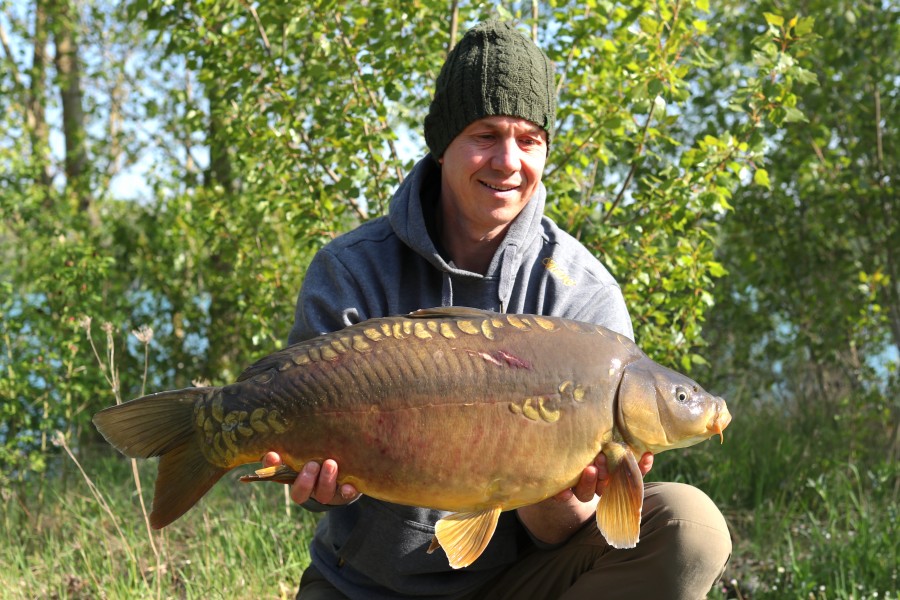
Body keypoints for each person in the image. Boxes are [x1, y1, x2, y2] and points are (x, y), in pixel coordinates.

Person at [264, 20, 731, 600]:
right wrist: (326, 480)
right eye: (486, 134)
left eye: (529, 139)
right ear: (443, 145)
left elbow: (565, 534)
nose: (508, 161)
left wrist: (558, 485)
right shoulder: (349, 269)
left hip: (516, 584)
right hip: (365, 584)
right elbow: (297, 463)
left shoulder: (582, 296)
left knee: (692, 526)